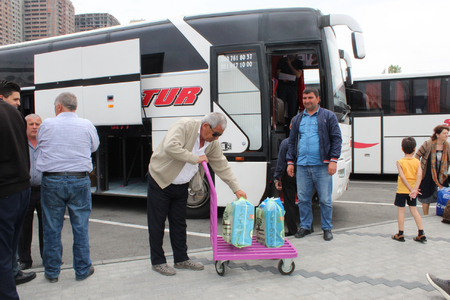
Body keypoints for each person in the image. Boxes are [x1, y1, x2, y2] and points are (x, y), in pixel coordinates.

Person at [147, 112, 247, 276]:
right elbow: (170, 147)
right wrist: (196, 158)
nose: (216, 138)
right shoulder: (185, 126)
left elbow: (221, 165)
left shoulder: (211, 143)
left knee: (179, 223)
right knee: (157, 223)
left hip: (181, 185)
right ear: (206, 126)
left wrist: (236, 188)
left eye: (219, 135)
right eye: (215, 134)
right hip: (161, 180)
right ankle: (158, 262)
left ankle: (181, 259)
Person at [36, 92, 99, 283]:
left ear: (58, 107)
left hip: (52, 180)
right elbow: (94, 147)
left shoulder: (47, 124)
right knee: (80, 226)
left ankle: (52, 272)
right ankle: (82, 270)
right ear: (75, 107)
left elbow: (40, 143)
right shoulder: (87, 124)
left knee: (52, 227)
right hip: (79, 180)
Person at [286, 87, 342, 241]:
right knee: (303, 199)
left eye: (310, 97)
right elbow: (292, 142)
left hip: (322, 166)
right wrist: (290, 162)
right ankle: (305, 227)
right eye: (304, 98)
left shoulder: (328, 116)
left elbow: (337, 139)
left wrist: (333, 160)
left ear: (318, 99)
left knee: (324, 199)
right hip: (302, 165)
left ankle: (327, 228)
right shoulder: (297, 119)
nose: (307, 101)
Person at [0, 83, 35, 300]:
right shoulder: (13, 113)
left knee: (2, 252)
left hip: (5, 190)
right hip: (22, 188)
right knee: (9, 248)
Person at [18, 114, 44, 270]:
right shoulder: (19, 144)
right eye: (31, 124)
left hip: (44, 190)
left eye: (37, 124)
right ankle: (25, 260)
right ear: (25, 126)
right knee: (23, 228)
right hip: (25, 190)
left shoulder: (46, 143)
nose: (34, 127)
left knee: (46, 227)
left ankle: (47, 258)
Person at [391, 137, 426, 243]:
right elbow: (420, 175)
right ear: (415, 149)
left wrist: (410, 189)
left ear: (402, 148)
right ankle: (421, 233)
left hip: (402, 190)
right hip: (413, 192)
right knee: (414, 210)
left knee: (401, 211)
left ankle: (400, 234)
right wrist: (414, 189)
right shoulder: (417, 162)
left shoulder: (399, 162)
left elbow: (402, 177)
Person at [415, 125, 450, 215]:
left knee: (444, 195)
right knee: (426, 196)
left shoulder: (447, 145)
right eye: (444, 133)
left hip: (442, 175)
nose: (446, 135)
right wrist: (420, 168)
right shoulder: (428, 143)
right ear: (437, 134)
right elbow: (417, 155)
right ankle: (425, 215)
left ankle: (443, 213)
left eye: (447, 133)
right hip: (428, 174)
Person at [274, 121, 299, 236]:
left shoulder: (285, 143)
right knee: (305, 201)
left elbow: (281, 162)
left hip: (288, 175)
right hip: (303, 175)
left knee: (289, 203)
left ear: (290, 127)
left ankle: (292, 229)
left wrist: (277, 178)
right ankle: (309, 227)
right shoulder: (304, 143)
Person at [276, 54, 303, 129]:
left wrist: (289, 64)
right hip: (283, 86)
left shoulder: (299, 62)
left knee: (293, 107)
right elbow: (277, 73)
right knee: (281, 106)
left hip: (293, 87)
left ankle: (291, 125)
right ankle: (280, 124)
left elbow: (298, 75)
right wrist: (282, 78)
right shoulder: (282, 60)